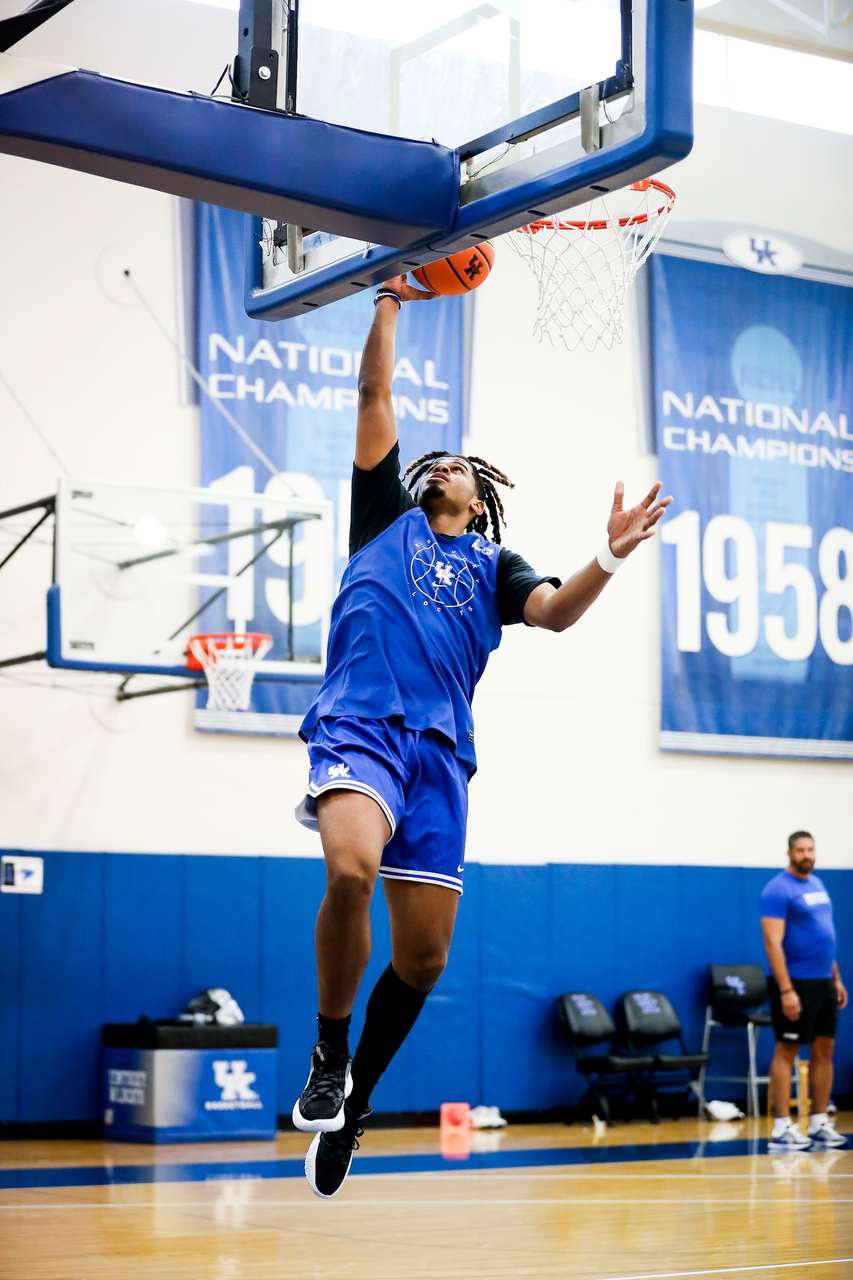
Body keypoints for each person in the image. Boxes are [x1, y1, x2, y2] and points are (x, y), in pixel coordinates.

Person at [291, 274, 672, 1198]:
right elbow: (375, 396)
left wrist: (610, 554)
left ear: (481, 492)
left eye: (456, 463)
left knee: (422, 958)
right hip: (362, 726)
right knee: (348, 869)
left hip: (440, 760)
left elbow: (553, 615)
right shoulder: (383, 517)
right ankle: (329, 1052)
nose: (439, 466)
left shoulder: (495, 563)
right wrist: (389, 299)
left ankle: (358, 1101)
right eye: (434, 462)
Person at [761, 830, 848, 1150]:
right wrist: (786, 990)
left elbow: (825, 937)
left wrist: (835, 977)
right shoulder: (777, 890)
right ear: (789, 853)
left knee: (824, 1050)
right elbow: (772, 941)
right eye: (800, 850)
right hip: (795, 982)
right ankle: (783, 1127)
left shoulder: (818, 884)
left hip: (823, 980)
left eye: (810, 849)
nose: (806, 855)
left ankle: (819, 1121)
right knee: (788, 1049)